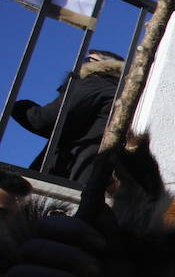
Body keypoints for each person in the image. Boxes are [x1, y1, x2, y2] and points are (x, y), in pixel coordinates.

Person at [10, 49, 124, 185]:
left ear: (105, 65)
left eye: (88, 60)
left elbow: (46, 120)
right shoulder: (117, 94)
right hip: (92, 178)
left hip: (69, 175)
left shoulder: (95, 83)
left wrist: (15, 105)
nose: (80, 65)